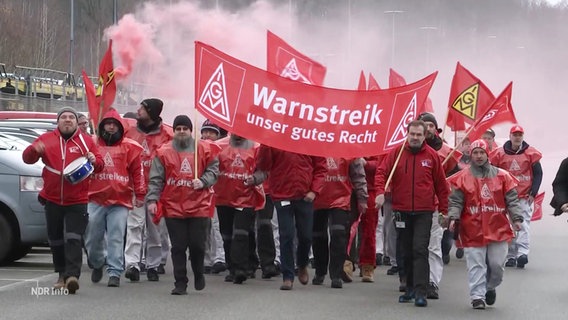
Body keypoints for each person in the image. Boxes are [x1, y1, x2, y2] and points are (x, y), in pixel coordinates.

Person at [22, 106, 104, 294]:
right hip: (52, 198)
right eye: (64, 117)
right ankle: (61, 274)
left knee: (74, 238)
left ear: (76, 122)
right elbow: (27, 159)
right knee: (56, 239)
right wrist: (34, 150)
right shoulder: (46, 139)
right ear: (58, 121)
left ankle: (72, 276)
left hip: (78, 198)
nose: (68, 120)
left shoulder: (87, 141)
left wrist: (94, 160)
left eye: (71, 117)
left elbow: (99, 166)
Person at [375, 119, 450, 307]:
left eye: (419, 134)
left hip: (424, 211)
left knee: (419, 249)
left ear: (424, 136)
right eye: (412, 134)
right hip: (401, 210)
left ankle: (420, 291)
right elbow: (381, 173)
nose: (415, 137)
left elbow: (442, 185)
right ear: (407, 135)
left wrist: (444, 211)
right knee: (405, 250)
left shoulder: (432, 156)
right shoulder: (396, 153)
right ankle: (408, 288)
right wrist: (379, 193)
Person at [146, 115, 219, 295]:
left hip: (199, 205)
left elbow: (214, 170)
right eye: (178, 129)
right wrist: (153, 200)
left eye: (184, 129)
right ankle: (180, 282)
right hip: (173, 205)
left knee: (197, 245)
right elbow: (156, 178)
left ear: (190, 130)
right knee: (178, 246)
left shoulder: (204, 149)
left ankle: (198, 272)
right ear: (175, 131)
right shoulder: (163, 152)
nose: (181, 132)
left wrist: (203, 181)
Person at [447, 139, 523, 309]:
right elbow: (455, 202)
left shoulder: (503, 176)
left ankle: (490, 287)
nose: (479, 156)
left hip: (498, 228)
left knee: (496, 266)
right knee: (476, 264)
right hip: (472, 229)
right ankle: (477, 296)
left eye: (482, 152)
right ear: (470, 154)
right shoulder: (462, 178)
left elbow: (512, 200)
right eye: (475, 153)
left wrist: (517, 219)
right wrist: (453, 218)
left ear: (487, 154)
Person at [251, 147, 327, 290]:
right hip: (282, 194)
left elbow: (321, 168)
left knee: (305, 236)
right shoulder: (276, 139)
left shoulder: (309, 137)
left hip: (305, 196)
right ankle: (288, 276)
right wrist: (266, 145)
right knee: (286, 235)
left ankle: (302, 263)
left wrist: (314, 191)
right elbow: (264, 166)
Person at [84, 109, 145, 288]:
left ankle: (114, 272)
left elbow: (138, 173)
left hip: (120, 200)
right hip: (95, 198)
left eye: (114, 124)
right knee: (92, 236)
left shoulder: (131, 147)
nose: (111, 127)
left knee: (116, 236)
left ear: (120, 126)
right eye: (107, 123)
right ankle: (96, 262)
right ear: (102, 126)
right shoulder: (91, 145)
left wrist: (140, 194)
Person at [124, 98, 173, 282]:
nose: (138, 110)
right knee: (134, 227)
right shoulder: (129, 131)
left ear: (152, 112)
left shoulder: (167, 135)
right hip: (134, 188)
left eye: (142, 108)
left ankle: (154, 264)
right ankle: (133, 264)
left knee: (155, 229)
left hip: (156, 190)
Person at [417, 112, 459, 299]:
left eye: (430, 125)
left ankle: (432, 282)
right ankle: (412, 279)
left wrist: (450, 205)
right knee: (416, 246)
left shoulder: (446, 151)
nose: (427, 128)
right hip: (413, 206)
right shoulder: (406, 150)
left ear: (436, 128)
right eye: (423, 125)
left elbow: (457, 179)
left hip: (436, 205)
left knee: (434, 245)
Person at [490, 125, 542, 269]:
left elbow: (538, 173)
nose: (517, 137)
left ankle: (522, 253)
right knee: (507, 224)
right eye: (515, 135)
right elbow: (492, 173)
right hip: (505, 195)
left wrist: (533, 192)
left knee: (523, 223)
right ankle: (511, 255)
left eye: (520, 135)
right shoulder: (499, 154)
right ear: (510, 136)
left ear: (523, 136)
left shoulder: (531, 153)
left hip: (524, 195)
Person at [216, 133, 265, 284]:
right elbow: (209, 166)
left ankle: (241, 269)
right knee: (227, 235)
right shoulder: (219, 146)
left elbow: (263, 170)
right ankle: (231, 267)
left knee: (241, 233)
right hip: (224, 198)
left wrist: (255, 178)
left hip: (245, 198)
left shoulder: (256, 147)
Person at [311, 157, 367, 288]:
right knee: (318, 236)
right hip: (318, 197)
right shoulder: (315, 143)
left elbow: (358, 174)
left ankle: (336, 274)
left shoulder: (348, 148)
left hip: (340, 199)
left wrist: (362, 198)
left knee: (338, 234)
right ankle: (320, 271)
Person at [200, 119, 228, 275]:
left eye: (211, 132)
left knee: (217, 226)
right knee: (204, 226)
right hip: (202, 192)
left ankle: (220, 257)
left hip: (219, 192)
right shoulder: (197, 149)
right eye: (205, 131)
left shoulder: (222, 149)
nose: (207, 134)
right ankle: (206, 259)